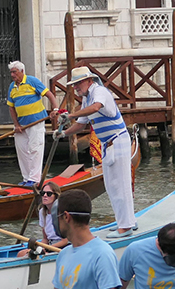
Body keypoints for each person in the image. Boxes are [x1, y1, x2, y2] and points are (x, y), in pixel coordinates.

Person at [58, 67, 136, 237]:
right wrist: (63, 133)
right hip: (107, 144)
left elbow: (96, 107)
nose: (76, 87)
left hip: (117, 141)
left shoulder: (99, 91)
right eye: (74, 84)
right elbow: (80, 124)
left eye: (79, 83)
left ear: (89, 80)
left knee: (120, 185)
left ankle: (126, 226)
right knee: (112, 185)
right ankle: (127, 221)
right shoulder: (87, 99)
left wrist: (70, 115)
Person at [6, 61, 59, 187]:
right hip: (21, 125)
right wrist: (16, 124)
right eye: (11, 72)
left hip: (36, 122)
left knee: (35, 148)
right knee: (22, 150)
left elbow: (49, 94)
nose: (13, 75)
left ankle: (34, 179)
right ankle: (26, 178)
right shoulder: (12, 87)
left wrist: (55, 109)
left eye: (15, 72)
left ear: (22, 71)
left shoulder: (32, 81)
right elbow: (11, 107)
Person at [17, 181, 69, 258]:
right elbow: (45, 238)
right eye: (42, 193)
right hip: (50, 244)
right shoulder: (42, 212)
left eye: (49, 194)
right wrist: (42, 247)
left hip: (63, 246)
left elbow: (65, 241)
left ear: (56, 196)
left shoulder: (61, 213)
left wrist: (46, 248)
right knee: (21, 254)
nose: (45, 196)